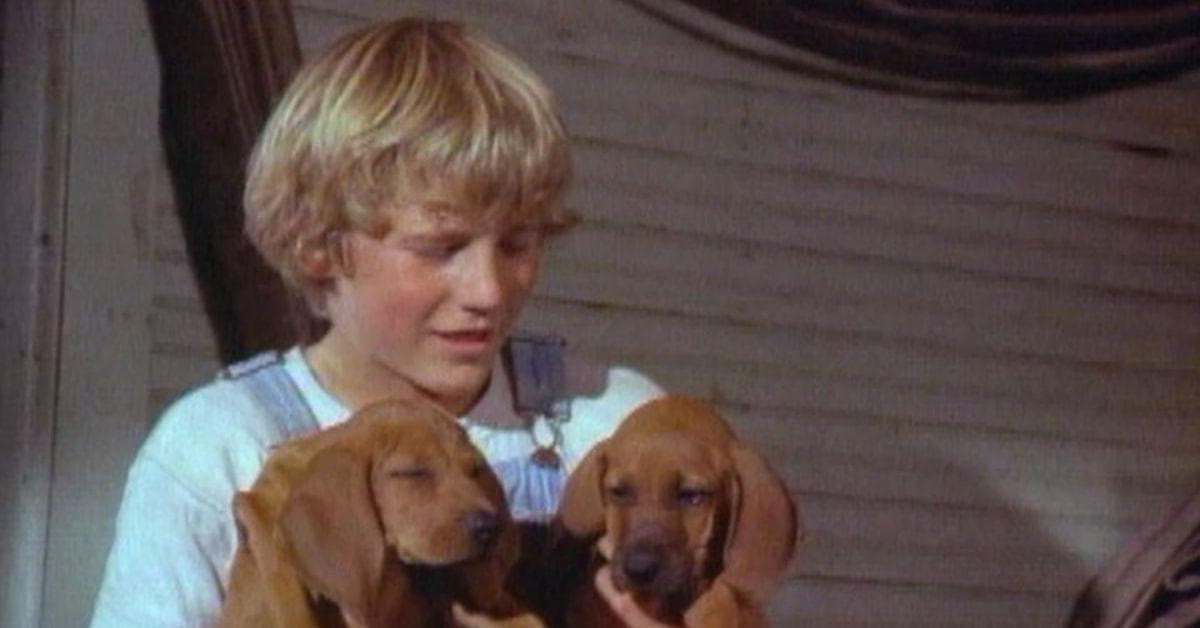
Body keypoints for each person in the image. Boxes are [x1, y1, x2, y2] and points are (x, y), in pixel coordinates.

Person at [91, 18, 669, 627]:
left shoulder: (602, 425)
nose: (489, 290)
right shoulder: (222, 446)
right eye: (440, 248)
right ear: (319, 243)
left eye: (518, 243)